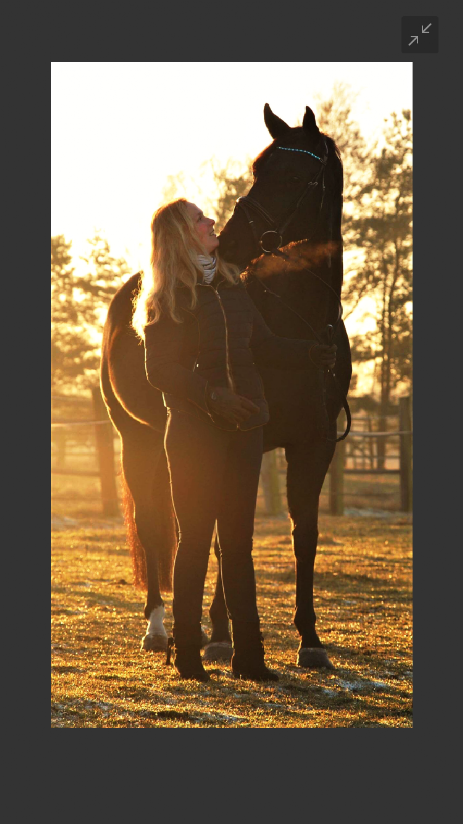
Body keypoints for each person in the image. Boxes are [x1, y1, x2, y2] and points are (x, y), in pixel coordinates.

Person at [132, 198, 336, 682]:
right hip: (194, 433)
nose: (211, 222)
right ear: (180, 236)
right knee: (196, 540)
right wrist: (211, 396)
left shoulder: (231, 285)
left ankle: (250, 656)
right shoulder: (167, 298)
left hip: (245, 427)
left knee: (239, 544)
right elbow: (159, 370)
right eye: (199, 219)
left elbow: (263, 345)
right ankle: (187, 653)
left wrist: (311, 353)